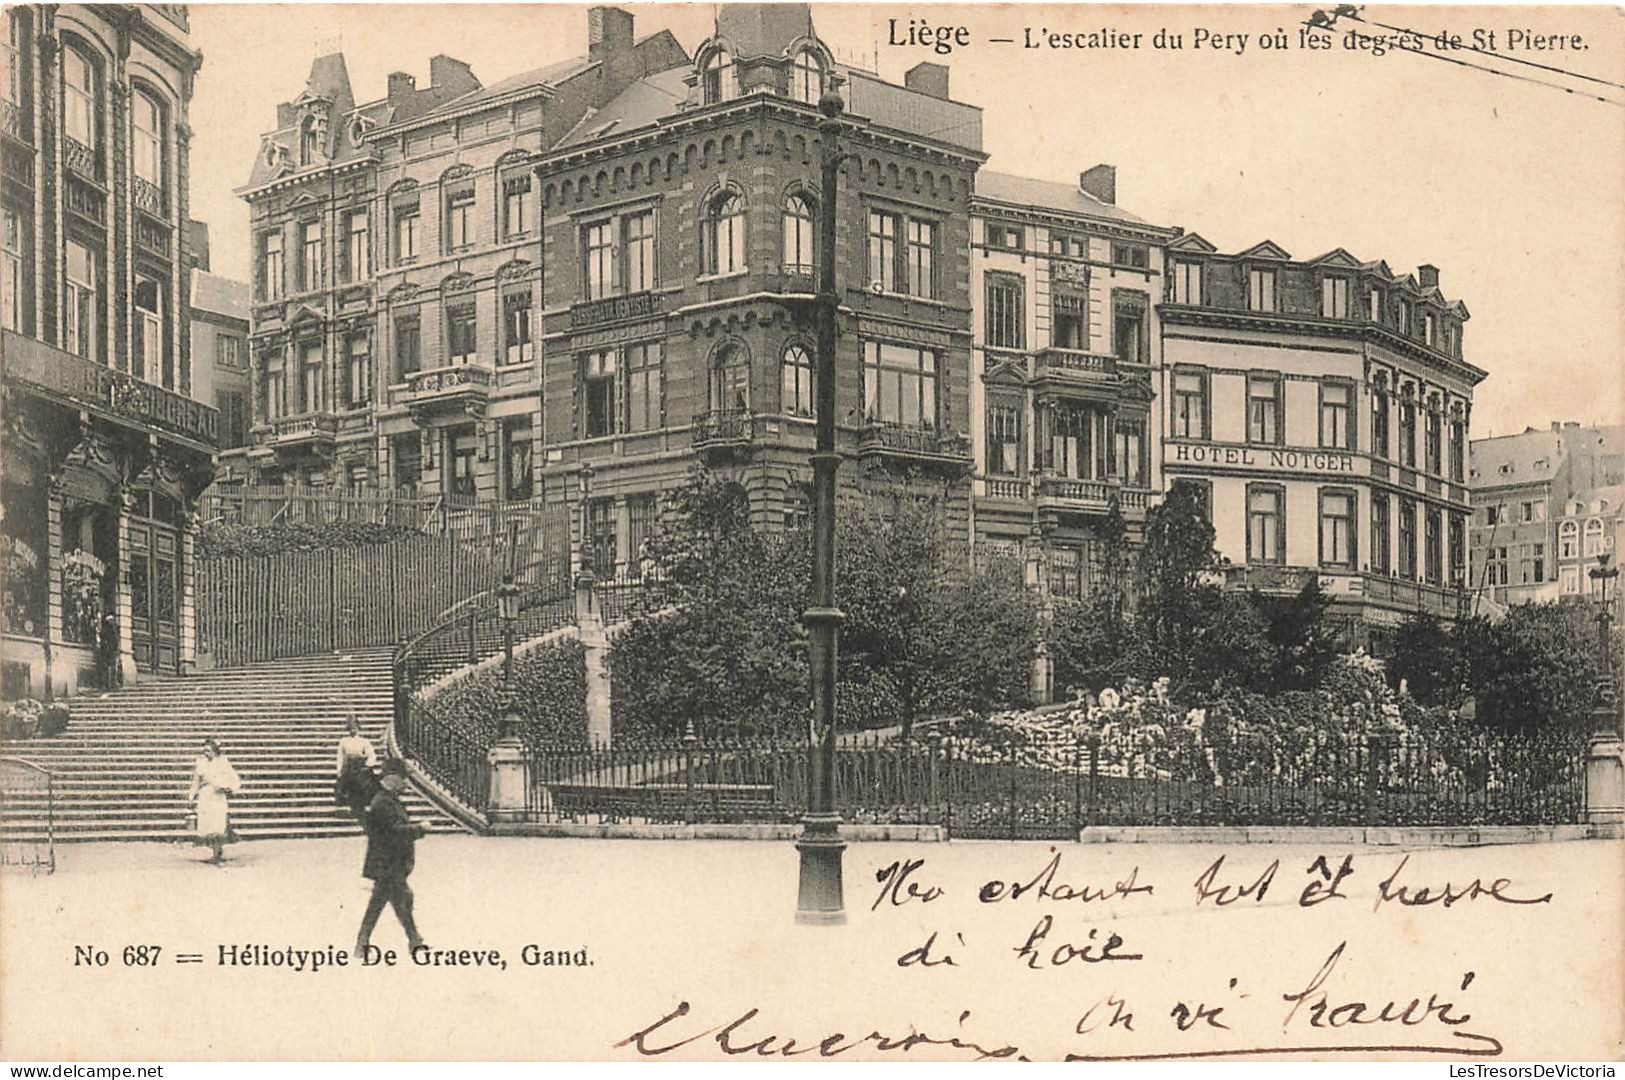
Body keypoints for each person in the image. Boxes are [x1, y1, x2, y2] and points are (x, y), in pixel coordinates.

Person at [355, 759, 426, 958]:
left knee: (399, 900)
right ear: (392, 779)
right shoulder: (383, 803)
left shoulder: (387, 800)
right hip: (388, 863)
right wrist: (419, 829)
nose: (405, 784)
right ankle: (363, 942)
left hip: (391, 863)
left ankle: (413, 939)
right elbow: (394, 832)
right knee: (385, 902)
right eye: (402, 779)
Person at [188, 738, 241, 864]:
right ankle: (214, 852)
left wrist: (228, 787)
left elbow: (233, 778)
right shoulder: (201, 763)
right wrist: (191, 796)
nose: (206, 753)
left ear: (215, 751)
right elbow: (196, 782)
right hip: (205, 797)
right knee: (208, 825)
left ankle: (218, 852)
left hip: (218, 797)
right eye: (204, 750)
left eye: (208, 751)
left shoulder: (223, 762)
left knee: (218, 824)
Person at [334, 715, 379, 819]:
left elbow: (371, 754)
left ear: (358, 727)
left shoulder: (364, 741)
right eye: (350, 727)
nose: (352, 729)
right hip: (349, 767)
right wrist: (339, 769)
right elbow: (340, 756)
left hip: (361, 767)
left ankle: (361, 809)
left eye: (355, 727)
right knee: (349, 788)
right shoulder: (343, 741)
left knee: (362, 787)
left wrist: (368, 764)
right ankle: (352, 808)